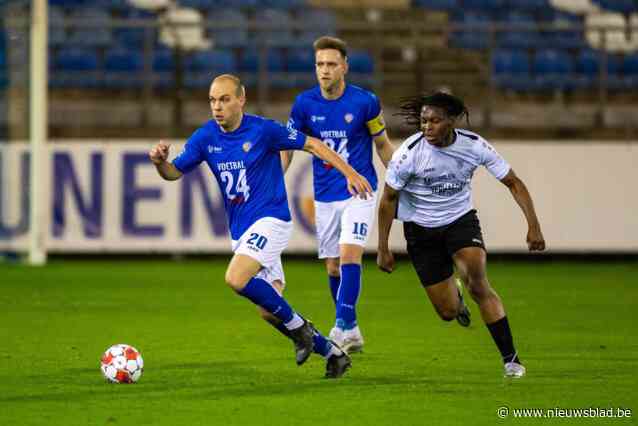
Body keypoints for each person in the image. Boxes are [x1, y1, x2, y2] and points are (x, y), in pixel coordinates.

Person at [149, 74, 373, 378]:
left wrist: (348, 172)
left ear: (241, 99)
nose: (217, 107)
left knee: (235, 277)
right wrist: (160, 163)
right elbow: (174, 172)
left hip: (271, 220)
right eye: (213, 100)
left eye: (225, 99)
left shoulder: (263, 130)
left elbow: (313, 144)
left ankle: (301, 330)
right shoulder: (205, 138)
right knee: (270, 310)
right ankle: (332, 353)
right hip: (241, 232)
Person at [376, 92, 546, 378]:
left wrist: (533, 225)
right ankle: (458, 299)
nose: (427, 127)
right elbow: (388, 200)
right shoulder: (408, 153)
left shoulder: (474, 146)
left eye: (434, 121)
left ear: (451, 122)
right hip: (420, 231)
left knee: (478, 282)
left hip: (459, 221)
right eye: (423, 121)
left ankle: (511, 360)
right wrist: (383, 247)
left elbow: (513, 182)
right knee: (447, 312)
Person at [284, 36, 395, 353]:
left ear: (345, 66)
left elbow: (382, 145)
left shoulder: (365, 102)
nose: (325, 70)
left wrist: (399, 175)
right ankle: (353, 327)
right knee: (333, 267)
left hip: (360, 190)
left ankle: (341, 324)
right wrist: (276, 177)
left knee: (349, 255)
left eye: (331, 64)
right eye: (320, 64)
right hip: (324, 194)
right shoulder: (304, 105)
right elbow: (290, 149)